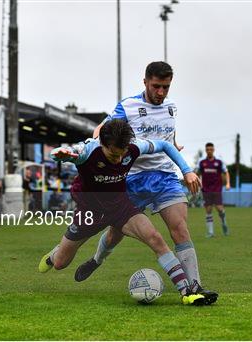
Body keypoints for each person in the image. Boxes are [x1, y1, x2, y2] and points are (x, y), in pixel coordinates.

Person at [38, 119, 217, 305]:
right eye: (113, 155)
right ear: (102, 143)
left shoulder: (133, 147)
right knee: (61, 263)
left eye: (121, 154)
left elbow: (164, 145)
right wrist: (61, 154)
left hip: (120, 206)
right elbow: (62, 153)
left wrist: (186, 170)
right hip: (90, 211)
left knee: (155, 238)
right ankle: (54, 254)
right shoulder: (88, 150)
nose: (118, 159)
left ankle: (187, 293)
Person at [77, 61, 210, 294]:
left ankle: (195, 287)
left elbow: (168, 134)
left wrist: (176, 147)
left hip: (165, 178)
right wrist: (93, 143)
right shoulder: (128, 106)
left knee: (180, 228)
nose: (161, 92)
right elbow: (104, 129)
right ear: (145, 82)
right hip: (132, 179)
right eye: (156, 86)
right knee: (114, 234)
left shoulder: (171, 107)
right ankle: (97, 260)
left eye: (166, 87)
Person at [198, 142, 231, 238]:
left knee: (219, 209)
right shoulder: (202, 163)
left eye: (211, 149)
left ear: (213, 150)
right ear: (205, 150)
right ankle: (210, 232)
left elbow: (226, 172)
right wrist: (197, 183)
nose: (209, 151)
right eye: (207, 149)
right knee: (208, 210)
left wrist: (228, 183)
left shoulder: (219, 162)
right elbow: (197, 173)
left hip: (217, 188)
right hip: (206, 189)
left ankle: (224, 223)